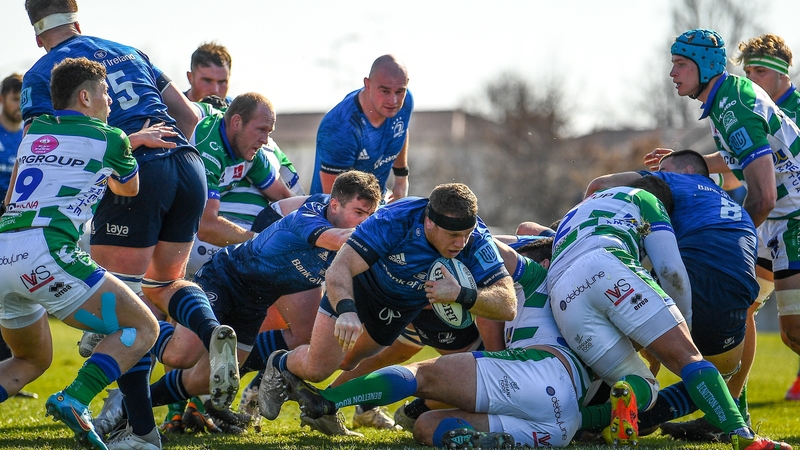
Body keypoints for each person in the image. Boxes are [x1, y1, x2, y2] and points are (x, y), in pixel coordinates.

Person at [21, 1, 239, 446]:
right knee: (162, 285)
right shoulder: (126, 49)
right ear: (77, 19)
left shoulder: (44, 71)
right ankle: (209, 329)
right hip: (187, 164)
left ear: (37, 35)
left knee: (126, 310)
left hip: (135, 168)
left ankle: (140, 431)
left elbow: (41, 146)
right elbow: (190, 116)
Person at [275, 238, 591, 448]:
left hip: (541, 371)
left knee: (422, 375)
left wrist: (450, 234)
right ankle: (483, 442)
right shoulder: (580, 306)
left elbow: (493, 247)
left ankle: (328, 400)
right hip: (562, 423)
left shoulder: (537, 276)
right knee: (426, 427)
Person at [548, 175, 790, 449]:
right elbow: (671, 270)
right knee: (689, 358)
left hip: (562, 295)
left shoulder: (576, 212)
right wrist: (682, 325)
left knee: (643, 386)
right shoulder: (646, 199)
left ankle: (586, 422)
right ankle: (743, 436)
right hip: (605, 264)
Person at [258, 182, 517, 433]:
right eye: (453, 235)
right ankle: (280, 363)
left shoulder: (477, 240)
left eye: (466, 234)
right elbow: (340, 267)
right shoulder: (395, 220)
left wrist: (462, 294)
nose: (461, 243)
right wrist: (347, 310)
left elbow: (507, 305)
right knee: (318, 369)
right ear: (429, 222)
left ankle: (328, 405)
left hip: (402, 305)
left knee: (348, 362)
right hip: (361, 286)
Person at [128, 172, 382, 426]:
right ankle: (135, 323)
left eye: (370, 215)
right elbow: (339, 239)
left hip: (255, 302)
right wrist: (384, 233)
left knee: (204, 380)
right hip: (225, 279)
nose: (364, 222)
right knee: (180, 356)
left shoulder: (349, 235)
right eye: (359, 213)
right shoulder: (308, 217)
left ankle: (129, 407)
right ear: (334, 205)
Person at [0, 56, 158, 450]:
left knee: (30, 360)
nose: (110, 101)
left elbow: (11, 195)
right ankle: (77, 397)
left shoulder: (34, 129)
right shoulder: (112, 137)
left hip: (3, 249)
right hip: (47, 250)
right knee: (144, 327)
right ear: (85, 97)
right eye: (105, 92)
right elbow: (128, 189)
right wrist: (129, 144)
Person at [584, 149, 761, 442]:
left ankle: (590, 415)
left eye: (663, 169)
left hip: (690, 276)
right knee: (720, 375)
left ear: (687, 170)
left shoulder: (674, 182)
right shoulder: (730, 205)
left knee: (610, 333)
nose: (658, 175)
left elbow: (599, 185)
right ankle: (644, 416)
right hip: (734, 295)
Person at [733, 34, 800, 404]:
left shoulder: (793, 112)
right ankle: (730, 412)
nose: (751, 80)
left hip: (794, 223)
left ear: (782, 74)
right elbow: (736, 168)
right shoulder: (753, 110)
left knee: (794, 333)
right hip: (770, 225)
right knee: (739, 309)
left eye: (759, 71)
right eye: (747, 73)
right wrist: (688, 165)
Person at [192, 92, 292, 249]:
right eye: (261, 129)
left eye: (269, 132)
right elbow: (206, 227)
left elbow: (284, 197)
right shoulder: (208, 151)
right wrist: (264, 243)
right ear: (236, 122)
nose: (265, 140)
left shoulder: (249, 147)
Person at [310, 54, 412, 202]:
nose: (393, 100)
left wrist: (401, 180)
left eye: (399, 91)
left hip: (374, 201)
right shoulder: (340, 128)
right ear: (367, 85)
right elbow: (337, 202)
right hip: (334, 207)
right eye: (385, 91)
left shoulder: (406, 100)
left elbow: (400, 131)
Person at [0, 74, 23, 201]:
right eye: (15, 99)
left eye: (23, 99)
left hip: (18, 210)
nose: (20, 105)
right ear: (1, 99)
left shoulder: (30, 138)